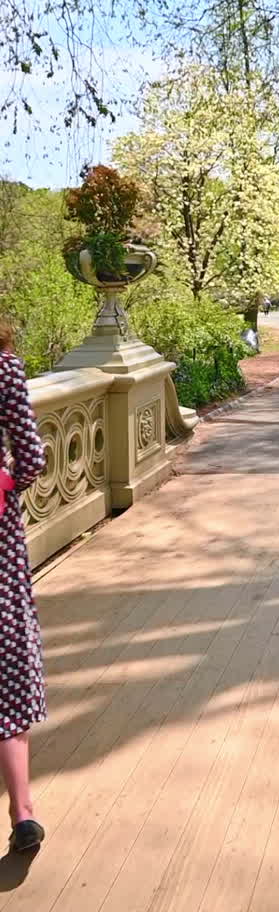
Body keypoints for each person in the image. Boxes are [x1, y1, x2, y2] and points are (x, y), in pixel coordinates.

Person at [0, 328, 48, 852]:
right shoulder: (3, 367)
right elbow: (31, 457)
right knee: (7, 662)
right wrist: (9, 480)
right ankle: (22, 812)